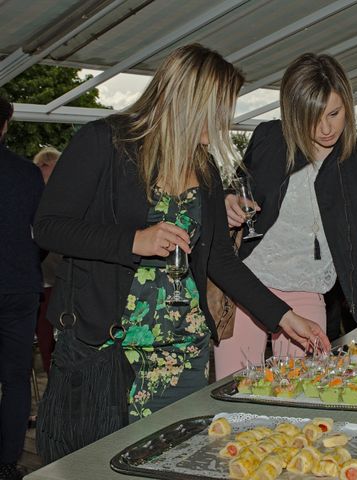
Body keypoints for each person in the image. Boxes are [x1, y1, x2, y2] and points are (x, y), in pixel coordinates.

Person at [33, 44, 329, 458]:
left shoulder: (204, 167)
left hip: (185, 351)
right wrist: (134, 241)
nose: (225, 119)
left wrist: (283, 315)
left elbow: (221, 260)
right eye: (220, 107)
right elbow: (48, 227)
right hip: (112, 352)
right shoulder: (106, 141)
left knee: (178, 459)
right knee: (104, 463)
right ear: (191, 100)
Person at [219, 53, 357, 379]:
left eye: (335, 114)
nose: (325, 128)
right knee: (234, 391)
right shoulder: (268, 138)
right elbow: (238, 189)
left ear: (348, 107)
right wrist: (229, 200)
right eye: (312, 117)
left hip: (306, 291)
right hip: (246, 287)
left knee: (302, 393)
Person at [0, 98, 44, 480]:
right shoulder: (27, 173)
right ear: (6, 124)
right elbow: (44, 230)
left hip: (17, 284)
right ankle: (7, 461)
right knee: (15, 378)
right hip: (19, 285)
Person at [33, 147, 62, 375]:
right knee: (46, 344)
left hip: (64, 284)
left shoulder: (70, 203)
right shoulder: (31, 203)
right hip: (40, 286)